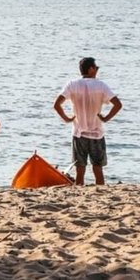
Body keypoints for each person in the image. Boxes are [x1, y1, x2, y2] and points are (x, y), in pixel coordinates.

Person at [54, 57, 123, 185]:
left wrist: (67, 118)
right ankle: (100, 193)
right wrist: (106, 118)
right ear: (91, 69)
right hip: (97, 133)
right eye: (96, 68)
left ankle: (80, 194)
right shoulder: (101, 85)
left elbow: (57, 104)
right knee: (98, 169)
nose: (97, 70)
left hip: (79, 133)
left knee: (80, 171)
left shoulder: (72, 84)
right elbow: (118, 105)